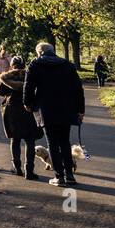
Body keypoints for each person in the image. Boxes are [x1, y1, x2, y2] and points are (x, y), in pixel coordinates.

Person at [23, 41, 85, 187]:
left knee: (52, 143)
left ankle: (59, 176)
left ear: (39, 52)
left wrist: (28, 103)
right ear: (53, 51)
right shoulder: (67, 65)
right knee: (64, 141)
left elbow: (28, 86)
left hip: (46, 109)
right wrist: (80, 110)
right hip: (66, 109)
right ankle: (69, 175)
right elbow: (78, 89)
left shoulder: (35, 65)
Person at [0, 55, 41, 179]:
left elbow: (0, 91)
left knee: (15, 139)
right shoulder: (30, 75)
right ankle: (29, 170)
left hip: (12, 110)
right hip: (29, 109)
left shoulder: (7, 77)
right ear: (24, 64)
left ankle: (17, 168)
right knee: (30, 140)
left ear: (12, 65)